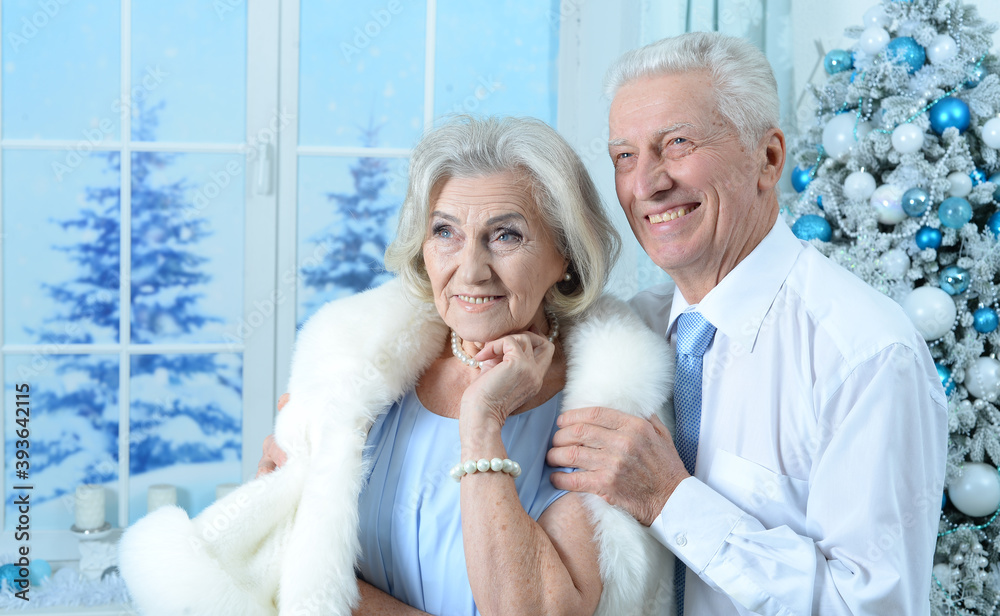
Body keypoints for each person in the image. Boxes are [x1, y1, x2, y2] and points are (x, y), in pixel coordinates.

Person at [120, 116, 677, 616]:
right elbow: (296, 565)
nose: (470, 269)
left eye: (505, 235)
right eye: (445, 233)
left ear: (565, 257)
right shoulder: (355, 367)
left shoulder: (606, 409)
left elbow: (529, 610)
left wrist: (482, 421)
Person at [546, 32, 948, 615]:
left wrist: (668, 499)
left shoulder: (865, 353)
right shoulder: (626, 337)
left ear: (769, 158)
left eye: (677, 143)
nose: (646, 184)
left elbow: (867, 606)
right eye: (624, 156)